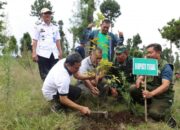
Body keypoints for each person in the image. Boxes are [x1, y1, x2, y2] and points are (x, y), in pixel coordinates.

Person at [129, 43, 176, 128]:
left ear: (158, 53)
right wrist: (139, 79)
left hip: (163, 96)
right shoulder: (149, 64)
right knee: (133, 88)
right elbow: (143, 75)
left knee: (154, 114)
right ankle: (150, 105)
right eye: (147, 53)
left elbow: (165, 86)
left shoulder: (166, 67)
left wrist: (151, 94)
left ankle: (166, 116)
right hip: (151, 91)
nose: (148, 55)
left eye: (151, 52)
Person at [32, 8, 62, 81]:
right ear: (42, 15)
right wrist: (34, 53)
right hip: (42, 54)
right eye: (45, 13)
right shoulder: (38, 27)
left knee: (55, 74)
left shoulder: (55, 27)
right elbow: (34, 40)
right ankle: (48, 91)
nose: (47, 15)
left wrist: (60, 52)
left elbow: (57, 40)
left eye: (49, 13)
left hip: (54, 54)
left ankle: (55, 91)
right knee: (45, 75)